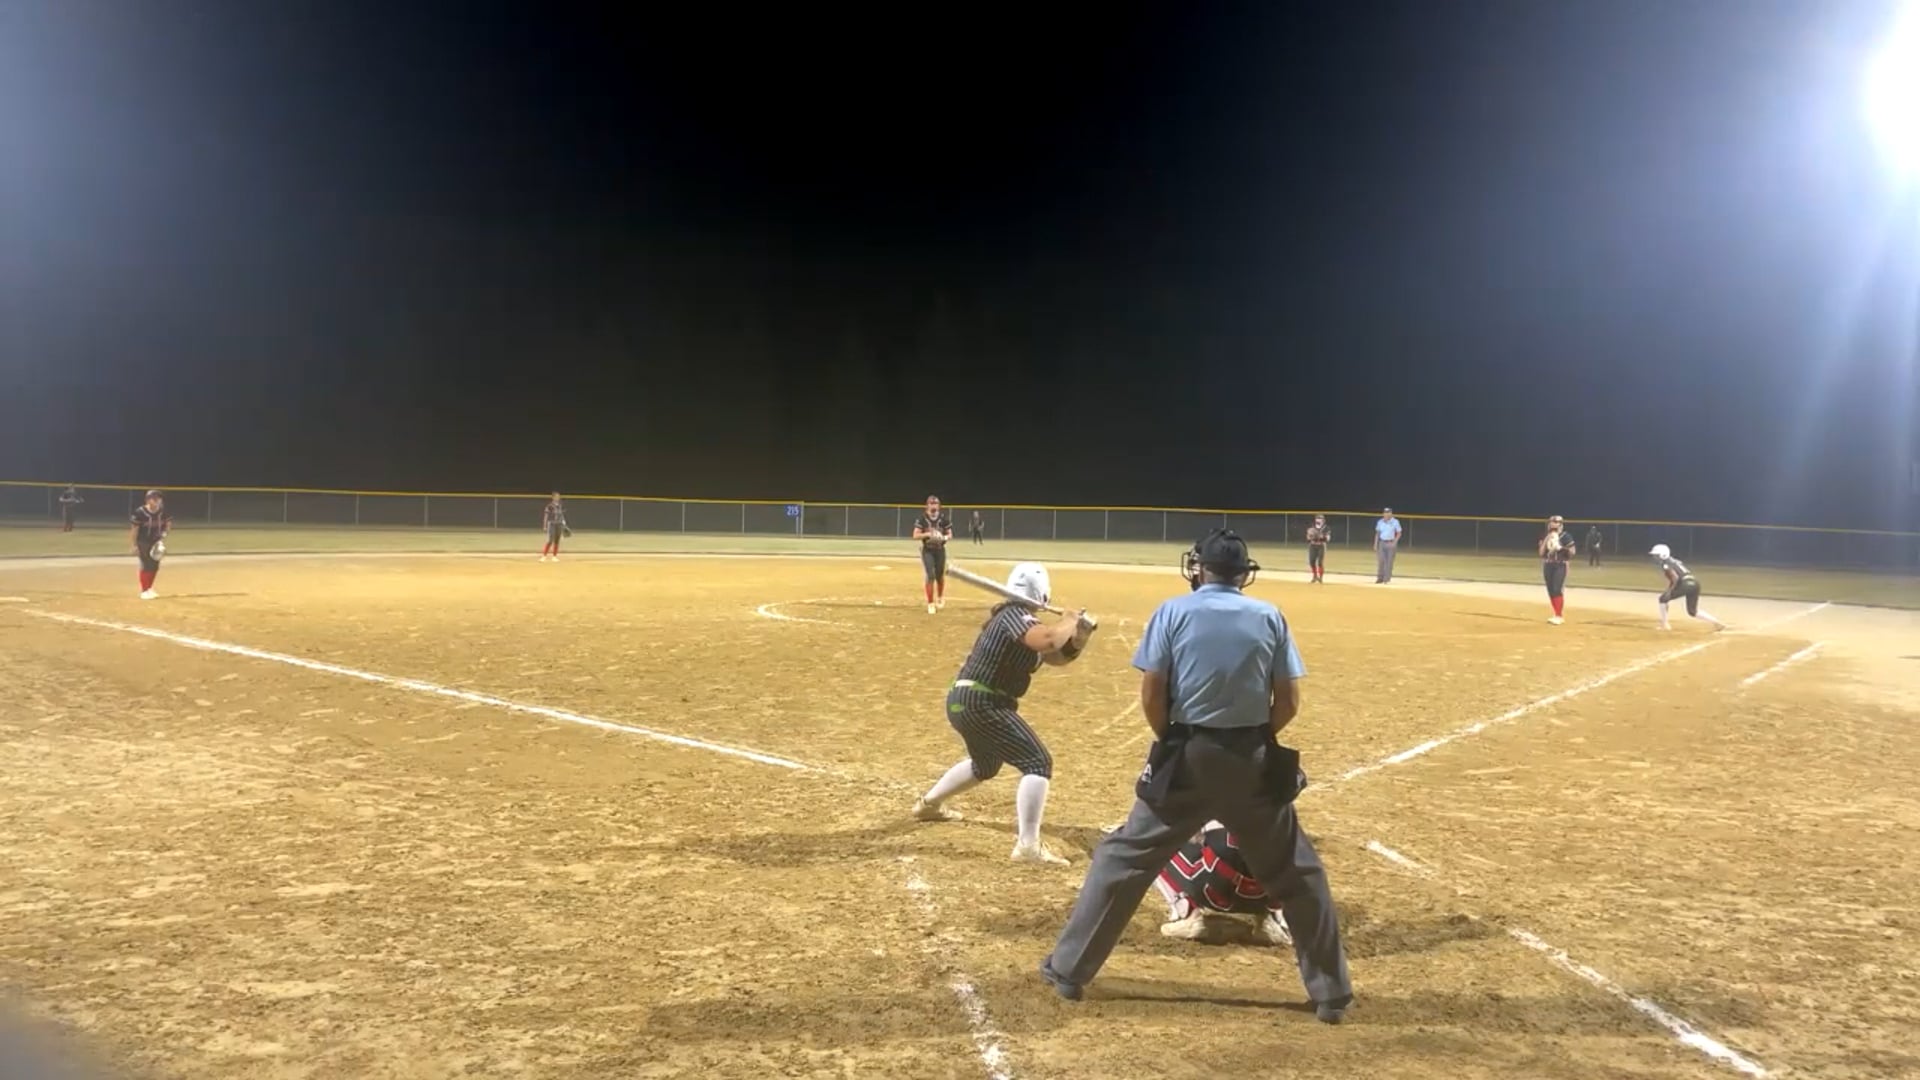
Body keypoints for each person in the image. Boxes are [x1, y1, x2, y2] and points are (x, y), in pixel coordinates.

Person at [1040, 530, 1352, 1023]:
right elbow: (1289, 701)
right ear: (1243, 574)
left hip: (1187, 754)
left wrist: (1173, 741)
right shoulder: (1269, 616)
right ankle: (1331, 995)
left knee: (1122, 860)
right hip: (1252, 759)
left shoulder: (1172, 612)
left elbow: (1152, 693)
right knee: (1298, 874)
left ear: (1200, 568)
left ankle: (1068, 971)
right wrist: (1253, 740)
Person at [912, 561, 1097, 865]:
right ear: (1043, 594)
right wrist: (1068, 619)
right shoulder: (1014, 615)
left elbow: (1056, 656)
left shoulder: (1024, 624)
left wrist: (1079, 637)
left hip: (967, 701)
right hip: (982, 701)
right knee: (1037, 762)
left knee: (986, 764)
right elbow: (1051, 639)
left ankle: (929, 804)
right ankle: (1028, 846)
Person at [1154, 819, 1294, 947]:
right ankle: (1272, 921)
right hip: (1266, 898)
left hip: (1215, 894)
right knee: (1283, 853)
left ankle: (1189, 913)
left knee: (1154, 840)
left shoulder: (1208, 801)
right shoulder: (1276, 804)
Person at [1649, 543, 1726, 631]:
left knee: (1663, 599)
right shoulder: (1675, 561)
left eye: (1656, 555)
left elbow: (1675, 578)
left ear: (1663, 555)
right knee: (1692, 611)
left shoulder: (1665, 563)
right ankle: (1717, 623)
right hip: (1695, 583)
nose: (1655, 558)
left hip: (1685, 583)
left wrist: (1669, 591)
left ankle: (1665, 625)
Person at [912, 495, 953, 614]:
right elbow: (915, 535)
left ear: (939, 506)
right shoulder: (922, 519)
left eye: (935, 503)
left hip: (940, 549)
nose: (933, 506)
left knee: (940, 575)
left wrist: (943, 537)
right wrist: (928, 534)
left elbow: (950, 534)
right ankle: (930, 603)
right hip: (928, 550)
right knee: (930, 575)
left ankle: (939, 596)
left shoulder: (944, 518)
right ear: (927, 505)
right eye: (931, 503)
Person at [129, 490, 171, 600]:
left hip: (156, 542)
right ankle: (144, 590)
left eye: (159, 499)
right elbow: (134, 530)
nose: (157, 501)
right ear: (148, 500)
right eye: (154, 499)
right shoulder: (140, 512)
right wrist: (134, 545)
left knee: (155, 566)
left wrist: (163, 536)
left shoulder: (163, 512)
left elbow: (168, 525)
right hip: (143, 541)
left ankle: (149, 588)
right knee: (146, 564)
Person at [1539, 514, 1575, 625]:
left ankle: (1559, 616)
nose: (1553, 524)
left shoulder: (1565, 536)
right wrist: (1547, 539)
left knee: (1557, 589)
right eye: (1552, 522)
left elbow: (1572, 552)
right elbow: (1541, 553)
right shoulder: (1546, 535)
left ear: (1560, 524)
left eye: (1556, 522)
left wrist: (1561, 548)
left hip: (1560, 565)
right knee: (1550, 590)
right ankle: (1556, 614)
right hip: (1548, 564)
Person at [1372, 507, 1402, 583]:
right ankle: (1380, 578)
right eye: (1385, 512)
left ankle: (1387, 578)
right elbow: (1377, 533)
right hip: (1382, 543)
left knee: (1389, 562)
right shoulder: (1380, 522)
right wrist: (1375, 544)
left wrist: (1394, 542)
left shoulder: (1395, 522)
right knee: (1381, 561)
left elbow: (1399, 533)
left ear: (1391, 513)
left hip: (1390, 542)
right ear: (1383, 513)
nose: (1387, 514)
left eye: (1388, 512)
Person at [540, 492, 569, 562]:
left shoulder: (560, 505)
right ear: (553, 497)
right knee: (550, 540)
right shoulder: (549, 506)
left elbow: (562, 515)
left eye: (558, 496)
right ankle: (544, 556)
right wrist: (544, 525)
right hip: (552, 524)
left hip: (559, 524)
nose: (558, 498)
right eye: (556, 496)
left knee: (557, 540)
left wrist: (564, 522)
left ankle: (554, 556)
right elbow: (546, 516)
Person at [1304, 514, 1330, 583]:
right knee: (1311, 561)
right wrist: (1310, 537)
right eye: (1317, 518)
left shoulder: (1326, 528)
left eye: (1320, 518)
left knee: (1320, 563)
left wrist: (1320, 537)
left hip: (1321, 546)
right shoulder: (1312, 527)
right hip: (1312, 546)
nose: (1319, 520)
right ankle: (1315, 576)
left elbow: (1327, 539)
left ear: (1323, 520)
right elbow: (1308, 538)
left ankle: (1320, 578)